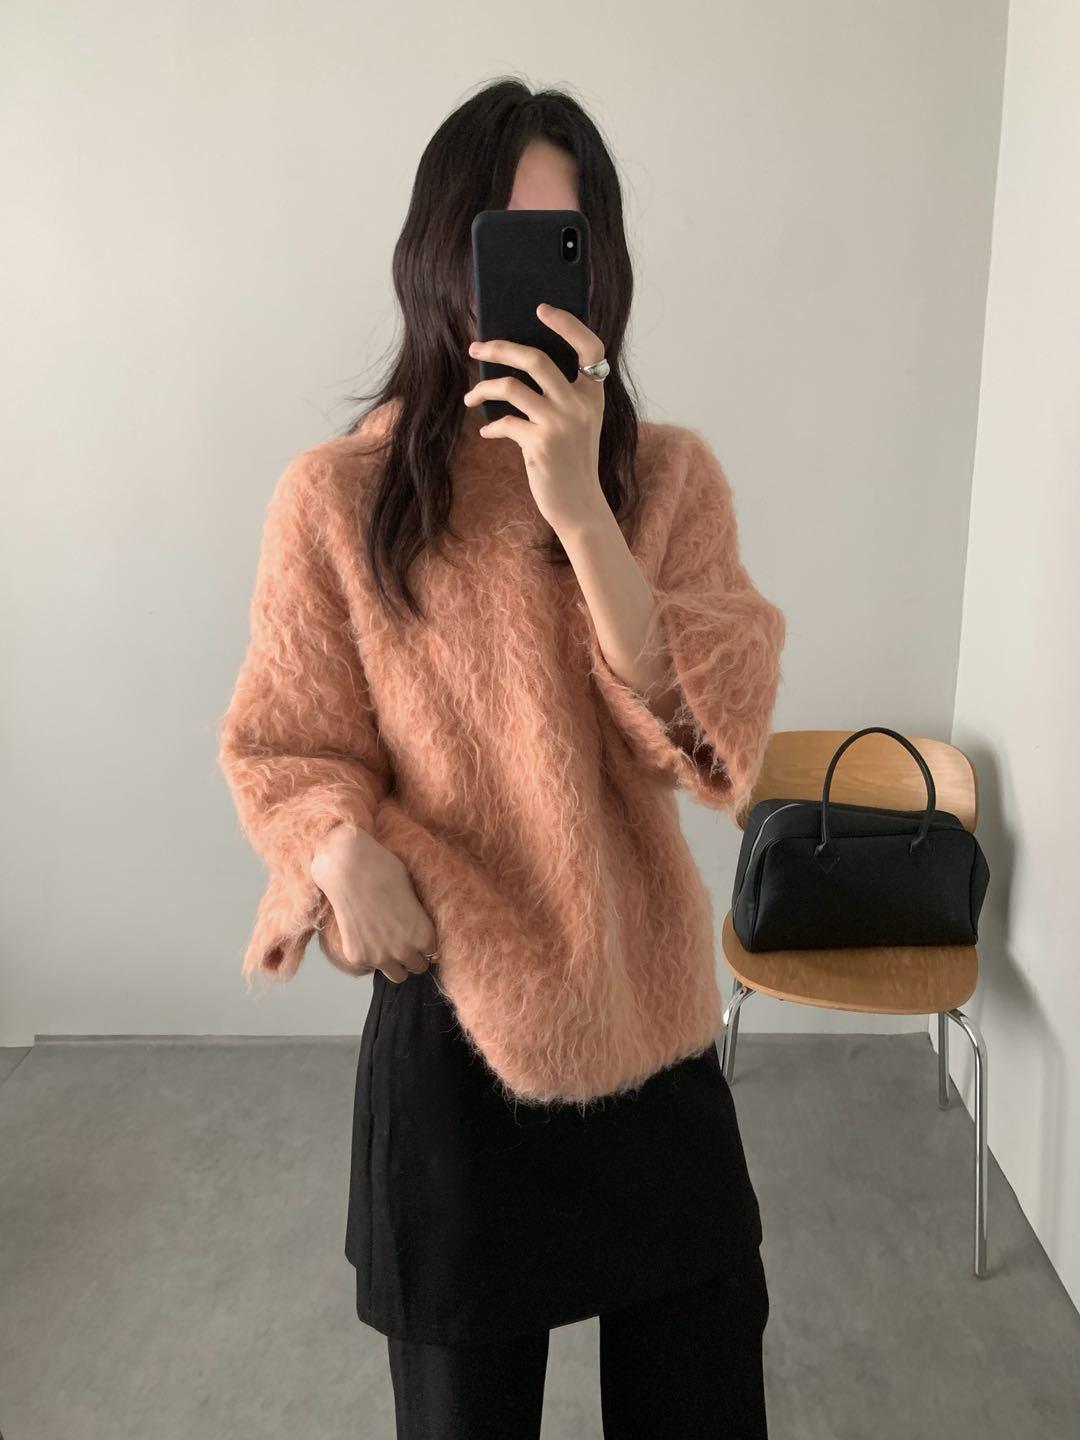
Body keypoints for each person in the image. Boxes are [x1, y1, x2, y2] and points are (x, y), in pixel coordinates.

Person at [217, 78, 786, 1440]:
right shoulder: (337, 499)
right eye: (498, 240)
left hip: (643, 1004)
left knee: (703, 1396)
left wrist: (583, 513)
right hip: (454, 1022)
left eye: (561, 245)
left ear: (602, 269)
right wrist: (334, 850)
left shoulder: (669, 480)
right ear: (437, 252)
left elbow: (706, 738)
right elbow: (287, 741)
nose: (524, 285)